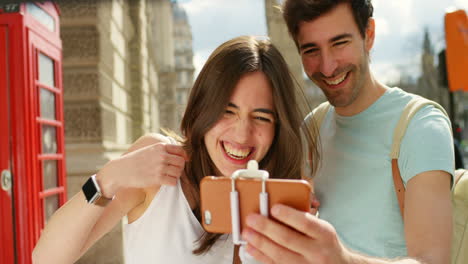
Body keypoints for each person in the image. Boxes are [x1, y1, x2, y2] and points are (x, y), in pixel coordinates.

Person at [32, 36, 319, 263]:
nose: (242, 134)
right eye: (227, 111)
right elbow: (46, 258)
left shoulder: (278, 197)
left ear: (278, 126)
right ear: (203, 108)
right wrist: (108, 178)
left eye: (261, 117)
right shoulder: (158, 165)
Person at [241, 1, 454, 264]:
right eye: (311, 50)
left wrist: (342, 260)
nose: (328, 67)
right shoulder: (312, 128)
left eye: (339, 43)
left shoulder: (420, 125)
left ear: (369, 34)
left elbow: (433, 260)